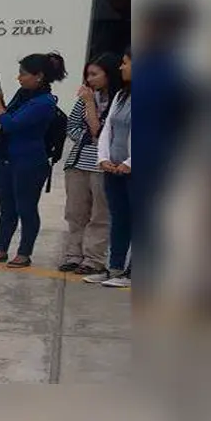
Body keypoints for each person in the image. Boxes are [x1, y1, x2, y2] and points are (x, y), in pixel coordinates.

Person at [0, 52, 67, 268]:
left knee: (26, 207)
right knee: (7, 208)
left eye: (24, 74)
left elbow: (11, 124)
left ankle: (24, 252)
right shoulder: (24, 94)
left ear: (39, 76)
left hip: (30, 161)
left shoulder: (44, 102)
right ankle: (1, 248)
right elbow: (10, 115)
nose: (19, 78)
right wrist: (0, 100)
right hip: (8, 157)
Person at [59, 53, 123, 275]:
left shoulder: (120, 99)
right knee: (76, 212)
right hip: (78, 162)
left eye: (95, 74)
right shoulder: (87, 97)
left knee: (100, 214)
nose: (90, 79)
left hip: (103, 165)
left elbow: (101, 131)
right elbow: (73, 127)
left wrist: (89, 107)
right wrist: (90, 134)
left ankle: (93, 258)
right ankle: (73, 254)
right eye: (88, 74)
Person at [83, 49, 132, 287]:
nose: (121, 68)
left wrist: (130, 162)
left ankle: (132, 272)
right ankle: (114, 267)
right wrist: (103, 158)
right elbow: (107, 132)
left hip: (135, 170)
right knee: (119, 219)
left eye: (125, 63)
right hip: (113, 169)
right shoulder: (122, 95)